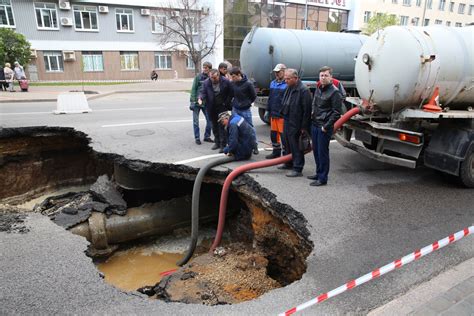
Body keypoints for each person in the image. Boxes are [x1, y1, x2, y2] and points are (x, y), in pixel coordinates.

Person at [308, 66, 343, 186]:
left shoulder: (335, 92)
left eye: (326, 75)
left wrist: (326, 126)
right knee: (316, 151)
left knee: (322, 153)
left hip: (324, 127)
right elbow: (314, 103)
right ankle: (318, 173)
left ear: (331, 77)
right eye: (321, 75)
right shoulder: (319, 88)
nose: (323, 78)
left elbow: (336, 113)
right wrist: (312, 114)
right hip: (315, 124)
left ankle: (323, 178)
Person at [278, 68, 312, 177]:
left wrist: (303, 127)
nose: (286, 81)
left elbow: (307, 111)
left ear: (296, 78)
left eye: (288, 79)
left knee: (296, 146)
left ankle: (298, 168)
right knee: (287, 143)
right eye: (285, 78)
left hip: (297, 122)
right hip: (287, 119)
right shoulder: (289, 87)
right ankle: (288, 163)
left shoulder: (303, 90)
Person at [198, 69, 233, 153]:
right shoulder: (207, 82)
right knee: (214, 125)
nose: (213, 80)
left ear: (218, 76)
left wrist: (227, 102)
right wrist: (200, 98)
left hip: (222, 106)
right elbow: (202, 92)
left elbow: (231, 92)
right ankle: (217, 142)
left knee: (222, 126)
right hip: (211, 107)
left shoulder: (225, 81)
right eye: (211, 78)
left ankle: (223, 145)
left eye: (214, 78)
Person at [229, 67, 259, 155]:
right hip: (235, 109)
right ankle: (238, 146)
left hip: (245, 110)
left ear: (239, 75)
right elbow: (231, 95)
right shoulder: (232, 83)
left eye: (234, 76)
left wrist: (247, 103)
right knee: (235, 128)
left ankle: (254, 146)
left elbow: (253, 96)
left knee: (250, 128)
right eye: (231, 77)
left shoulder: (248, 84)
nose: (232, 79)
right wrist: (232, 104)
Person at [265, 63, 287, 159]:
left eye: (278, 72)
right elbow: (270, 98)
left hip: (282, 115)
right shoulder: (272, 83)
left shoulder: (287, 84)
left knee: (284, 136)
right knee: (273, 134)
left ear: (284, 71)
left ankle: (286, 155)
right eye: (275, 72)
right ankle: (276, 152)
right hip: (273, 113)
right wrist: (267, 110)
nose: (277, 74)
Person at [190, 61, 213, 145]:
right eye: (203, 67)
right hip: (197, 102)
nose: (204, 69)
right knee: (196, 121)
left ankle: (207, 136)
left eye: (206, 68)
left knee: (209, 121)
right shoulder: (198, 77)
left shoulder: (211, 78)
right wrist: (192, 101)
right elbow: (193, 89)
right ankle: (197, 138)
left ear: (210, 69)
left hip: (206, 103)